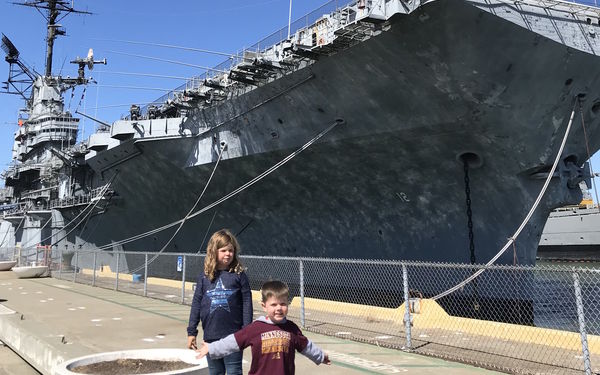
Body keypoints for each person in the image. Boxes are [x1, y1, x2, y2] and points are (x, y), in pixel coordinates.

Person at [196, 280, 331, 375]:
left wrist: (320, 356)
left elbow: (306, 346)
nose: (279, 308)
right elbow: (233, 342)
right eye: (273, 305)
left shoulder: (292, 328)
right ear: (264, 306)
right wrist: (212, 348)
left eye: (283, 304)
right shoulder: (255, 328)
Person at [187, 229, 252, 375]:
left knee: (234, 371)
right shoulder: (204, 277)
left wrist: (246, 330)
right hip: (211, 336)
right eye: (223, 250)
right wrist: (192, 331)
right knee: (215, 372)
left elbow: (247, 302)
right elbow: (197, 303)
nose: (228, 254)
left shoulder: (239, 275)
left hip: (233, 336)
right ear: (213, 251)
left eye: (231, 250)